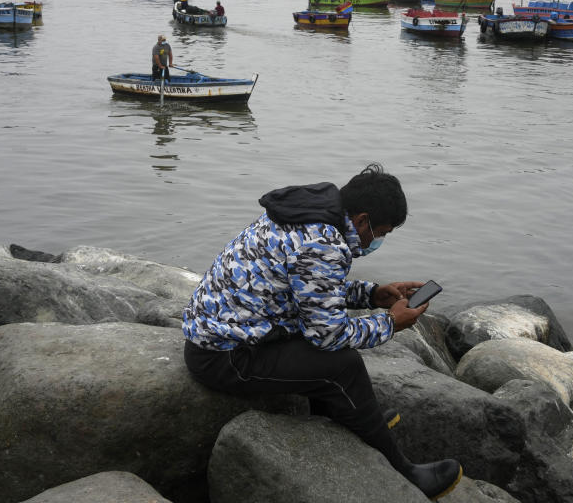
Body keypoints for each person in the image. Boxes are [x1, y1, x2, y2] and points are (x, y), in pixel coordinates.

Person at [182, 164, 462, 500]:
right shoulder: (323, 243)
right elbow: (327, 334)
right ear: (361, 220)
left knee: (316, 336)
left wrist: (372, 294)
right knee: (343, 364)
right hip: (225, 357)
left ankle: (346, 412)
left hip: (226, 334)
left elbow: (309, 288)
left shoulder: (307, 215)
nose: (380, 240)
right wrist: (390, 323)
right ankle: (404, 470)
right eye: (381, 231)